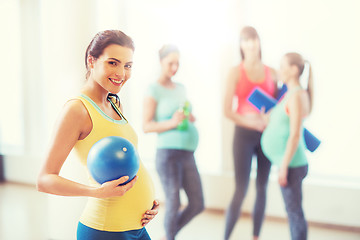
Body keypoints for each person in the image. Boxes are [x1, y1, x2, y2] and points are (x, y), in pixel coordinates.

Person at [37, 30, 159, 240]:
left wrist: (147, 202)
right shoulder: (77, 109)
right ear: (91, 61)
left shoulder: (115, 103)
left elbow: (127, 161)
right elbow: (44, 180)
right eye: (113, 62)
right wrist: (97, 192)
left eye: (127, 65)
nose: (121, 73)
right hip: (105, 230)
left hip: (136, 226)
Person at [142, 44, 204, 240]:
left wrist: (188, 117)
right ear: (161, 62)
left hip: (188, 153)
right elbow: (146, 125)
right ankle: (169, 237)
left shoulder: (181, 88)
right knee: (174, 201)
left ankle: (167, 236)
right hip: (167, 154)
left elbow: (181, 113)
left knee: (197, 203)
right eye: (170, 63)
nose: (174, 68)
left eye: (177, 63)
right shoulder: (153, 89)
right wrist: (172, 122)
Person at [223, 26, 277, 240]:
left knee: (262, 187)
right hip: (243, 136)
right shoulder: (235, 72)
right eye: (245, 40)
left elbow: (279, 106)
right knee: (241, 189)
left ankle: (256, 236)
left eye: (253, 39)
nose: (250, 44)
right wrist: (250, 122)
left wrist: (267, 119)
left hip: (267, 136)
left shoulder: (272, 72)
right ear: (241, 45)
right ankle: (225, 237)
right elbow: (227, 110)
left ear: (259, 42)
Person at [261, 52, 313, 240]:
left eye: (283, 66)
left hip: (291, 164)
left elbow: (295, 135)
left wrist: (283, 166)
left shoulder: (297, 95)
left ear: (293, 70)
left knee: (294, 214)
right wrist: (269, 119)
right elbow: (284, 123)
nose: (279, 70)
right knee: (293, 212)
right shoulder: (292, 94)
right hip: (290, 163)